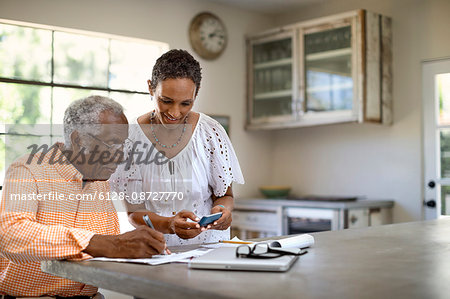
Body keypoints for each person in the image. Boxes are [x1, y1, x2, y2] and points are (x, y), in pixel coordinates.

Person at [0, 96, 167, 298]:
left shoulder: (101, 181)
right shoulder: (28, 169)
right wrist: (110, 244)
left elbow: (108, 247)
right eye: (113, 145)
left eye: (123, 146)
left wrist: (139, 249)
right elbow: (10, 234)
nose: (121, 156)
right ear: (78, 140)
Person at [110, 49, 244, 246]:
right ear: (150, 88)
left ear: (196, 93)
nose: (175, 112)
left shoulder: (210, 132)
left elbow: (225, 195)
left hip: (209, 249)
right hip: (156, 251)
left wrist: (223, 212)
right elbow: (134, 212)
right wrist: (169, 224)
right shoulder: (130, 139)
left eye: (185, 103)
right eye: (166, 101)